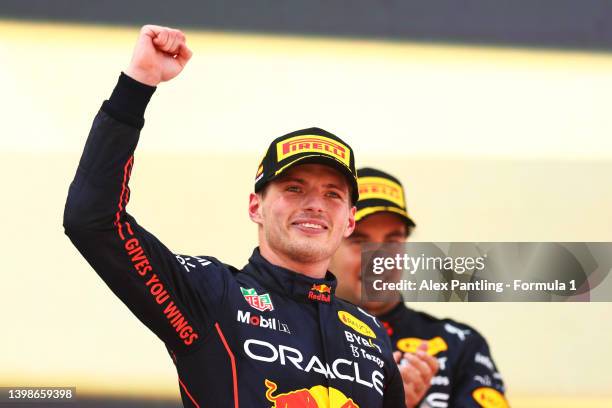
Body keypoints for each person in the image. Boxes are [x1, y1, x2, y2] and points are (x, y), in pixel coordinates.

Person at [63, 25, 407, 407]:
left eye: (332, 194)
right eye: (294, 188)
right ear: (255, 207)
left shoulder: (371, 336)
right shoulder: (212, 294)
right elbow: (92, 220)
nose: (315, 204)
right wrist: (137, 85)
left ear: (349, 220)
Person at [330, 167, 508, 408]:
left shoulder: (461, 345)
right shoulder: (293, 338)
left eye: (392, 241)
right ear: (328, 246)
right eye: (359, 240)